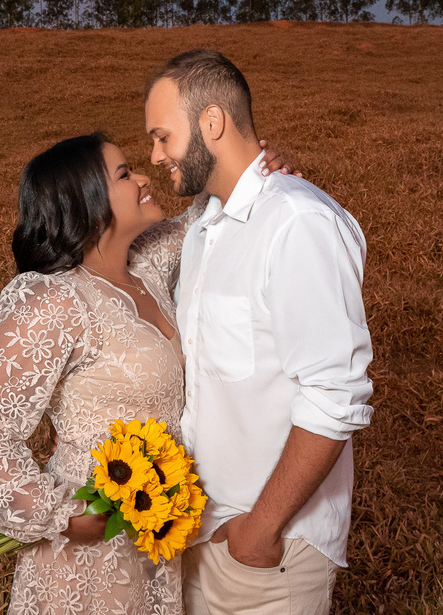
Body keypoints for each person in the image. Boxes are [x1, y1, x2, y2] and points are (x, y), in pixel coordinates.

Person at [0, 132, 294, 615]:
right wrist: (62, 515)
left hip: (154, 534)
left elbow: (207, 214)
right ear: (84, 202)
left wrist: (255, 168)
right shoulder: (54, 300)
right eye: (126, 174)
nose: (144, 179)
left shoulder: (147, 265)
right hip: (86, 550)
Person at [144, 49, 374, 615]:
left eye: (161, 136)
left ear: (212, 123)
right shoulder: (203, 227)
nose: (154, 156)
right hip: (198, 536)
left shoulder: (297, 222)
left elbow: (336, 395)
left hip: (270, 555)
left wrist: (260, 531)